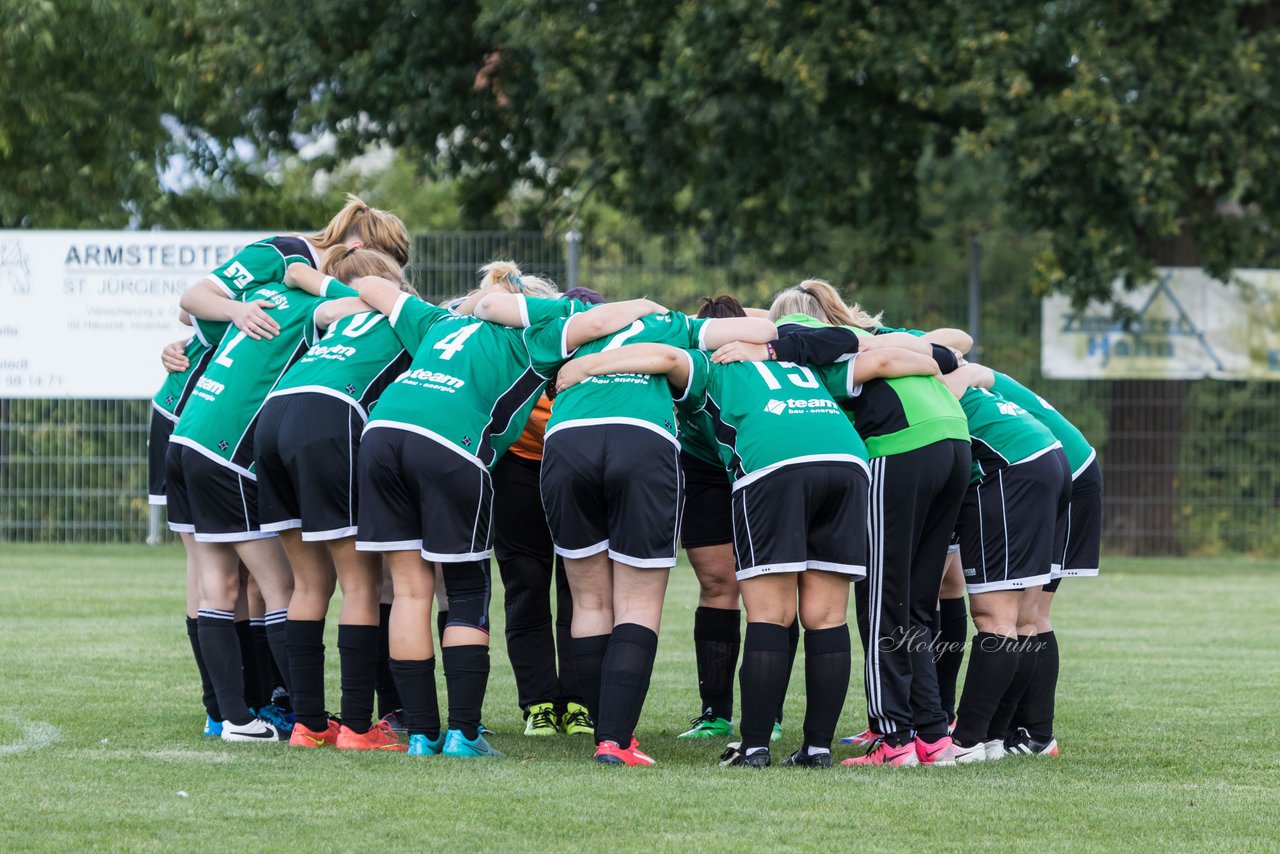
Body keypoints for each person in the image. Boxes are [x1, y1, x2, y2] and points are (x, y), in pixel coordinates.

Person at [555, 335, 942, 769]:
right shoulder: (805, 364)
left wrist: (586, 368)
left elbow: (664, 356)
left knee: (768, 615)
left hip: (773, 461)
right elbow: (906, 361)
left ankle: (754, 746)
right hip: (848, 463)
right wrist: (938, 361)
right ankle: (817, 750)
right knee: (828, 617)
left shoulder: (711, 364)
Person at [330, 264, 668, 758]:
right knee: (466, 589)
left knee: (408, 588)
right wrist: (646, 305)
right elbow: (595, 323)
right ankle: (464, 734)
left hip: (381, 436)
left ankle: (422, 734)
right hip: (451, 441)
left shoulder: (440, 322)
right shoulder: (536, 335)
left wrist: (459, 305)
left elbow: (373, 285)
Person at [745, 279, 973, 767]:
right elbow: (949, 350)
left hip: (902, 448)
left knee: (881, 599)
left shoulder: (806, 346)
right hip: (955, 440)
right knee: (916, 602)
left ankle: (893, 740)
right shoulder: (869, 328)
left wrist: (765, 343)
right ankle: (932, 734)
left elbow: (877, 363)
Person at [540, 306, 776, 766]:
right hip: (641, 440)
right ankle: (615, 739)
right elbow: (764, 328)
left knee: (588, 602)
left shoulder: (579, 328)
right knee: (638, 604)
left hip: (567, 439)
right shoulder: (675, 324)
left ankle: (602, 735)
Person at [169, 259, 363, 741]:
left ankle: (226, 716)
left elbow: (187, 318)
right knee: (282, 586)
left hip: (186, 437)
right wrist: (324, 284)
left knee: (217, 585)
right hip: (228, 453)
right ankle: (302, 715)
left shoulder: (260, 300)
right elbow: (364, 305)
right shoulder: (309, 307)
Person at [253, 249, 415, 750]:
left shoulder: (333, 317)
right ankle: (357, 728)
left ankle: (308, 724)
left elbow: (299, 277)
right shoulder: (407, 317)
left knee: (309, 582)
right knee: (360, 583)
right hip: (330, 417)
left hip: (273, 417)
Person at [939, 363, 1071, 763]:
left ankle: (966, 744)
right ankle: (995, 738)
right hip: (1050, 458)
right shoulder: (918, 357)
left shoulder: (883, 363)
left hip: (1013, 473)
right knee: (1023, 621)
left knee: (993, 618)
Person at [492, 285, 607, 738]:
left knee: (582, 592)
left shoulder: (610, 356)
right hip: (521, 467)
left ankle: (578, 700)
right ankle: (539, 702)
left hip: (579, 470)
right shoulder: (534, 342)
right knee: (526, 586)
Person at [675, 296, 788, 744]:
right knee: (718, 585)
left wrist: (764, 331)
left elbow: (783, 325)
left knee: (773, 590)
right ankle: (715, 713)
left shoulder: (767, 359)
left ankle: (769, 711)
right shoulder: (691, 360)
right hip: (705, 469)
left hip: (759, 463)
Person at [987, 369, 1101, 757]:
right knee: (1022, 613)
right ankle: (1019, 729)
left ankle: (1037, 735)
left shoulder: (960, 376)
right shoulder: (961, 369)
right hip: (1054, 471)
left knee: (1030, 613)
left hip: (1067, 473)